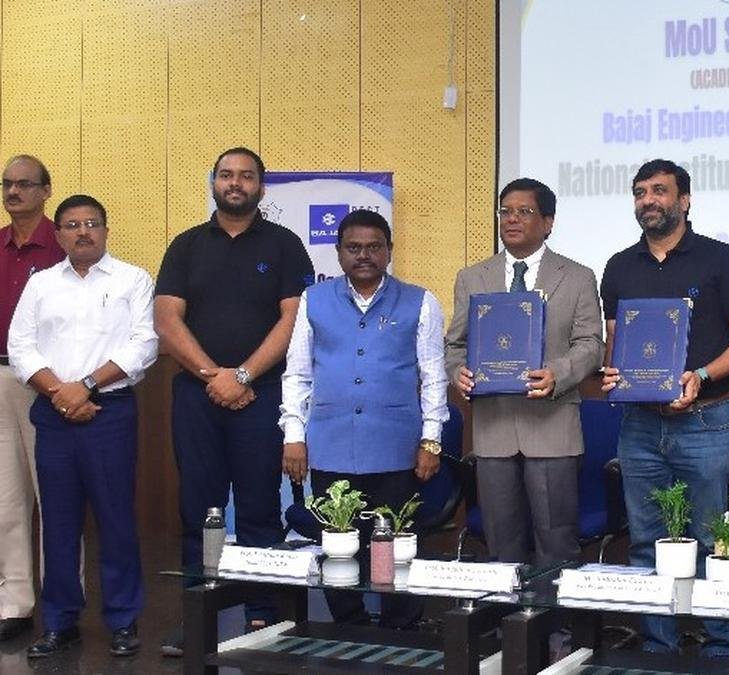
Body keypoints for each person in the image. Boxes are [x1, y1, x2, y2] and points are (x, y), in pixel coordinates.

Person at [154, 147, 314, 654]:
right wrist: (214, 376)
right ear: (214, 183)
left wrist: (242, 375)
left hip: (262, 396)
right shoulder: (185, 245)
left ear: (261, 187)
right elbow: (166, 320)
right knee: (197, 510)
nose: (235, 183)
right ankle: (199, 618)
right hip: (197, 396)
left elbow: (294, 320)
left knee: (259, 508)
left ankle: (260, 616)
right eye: (226, 175)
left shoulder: (285, 244)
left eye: (246, 176)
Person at [599, 159, 729, 657]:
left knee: (714, 541)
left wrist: (701, 375)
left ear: (684, 200)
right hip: (640, 424)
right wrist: (612, 374)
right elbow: (615, 343)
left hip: (706, 418)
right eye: (640, 192)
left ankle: (720, 647)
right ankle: (658, 648)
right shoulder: (619, 266)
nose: (648, 200)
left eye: (659, 190)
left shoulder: (721, 259)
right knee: (646, 540)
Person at [280, 208, 446, 627]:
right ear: (338, 252)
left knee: (398, 546)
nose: (364, 255)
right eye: (353, 247)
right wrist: (293, 435)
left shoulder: (420, 301)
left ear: (389, 250)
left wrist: (431, 440)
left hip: (396, 448)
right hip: (330, 444)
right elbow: (298, 373)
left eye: (374, 247)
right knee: (339, 544)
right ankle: (349, 626)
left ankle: (401, 628)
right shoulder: (313, 300)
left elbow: (433, 377)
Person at [8, 194, 157, 658]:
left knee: (115, 519)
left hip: (109, 413)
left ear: (106, 230)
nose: (83, 232)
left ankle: (123, 621)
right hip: (53, 414)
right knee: (58, 522)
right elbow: (20, 345)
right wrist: (62, 393)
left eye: (92, 223)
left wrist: (87, 386)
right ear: (59, 235)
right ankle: (59, 622)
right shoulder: (41, 284)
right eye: (72, 225)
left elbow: (144, 344)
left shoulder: (133, 279)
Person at [445, 178, 603, 566]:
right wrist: (458, 372)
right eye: (505, 211)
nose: (512, 219)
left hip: (552, 427)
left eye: (524, 211)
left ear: (548, 222)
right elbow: (455, 344)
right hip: (493, 428)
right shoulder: (472, 277)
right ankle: (506, 609)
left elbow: (591, 344)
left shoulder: (578, 276)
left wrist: (557, 374)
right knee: (501, 547)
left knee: (557, 544)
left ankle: (557, 610)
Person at [0, 155, 63, 643]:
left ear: (45, 191)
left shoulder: (65, 246)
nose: (13, 192)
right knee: (7, 499)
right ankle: (14, 604)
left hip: (52, 383)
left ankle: (62, 602)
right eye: (7, 184)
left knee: (56, 497)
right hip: (1, 376)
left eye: (24, 184)